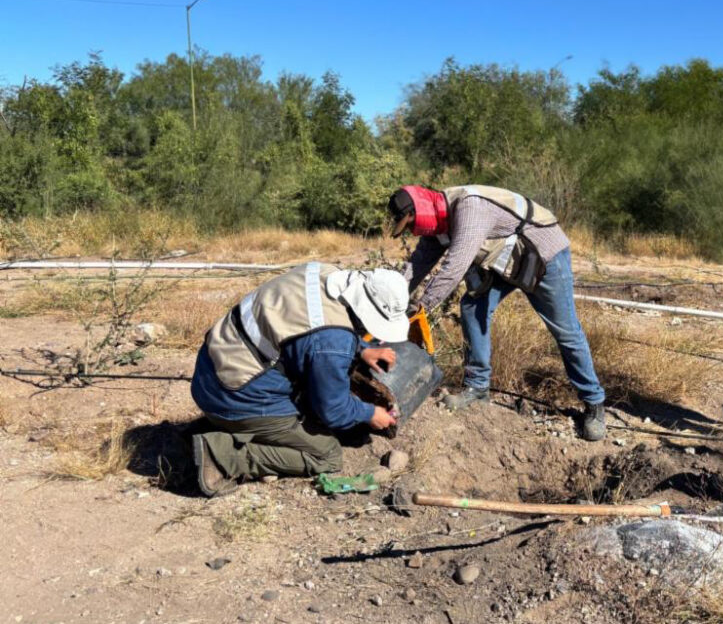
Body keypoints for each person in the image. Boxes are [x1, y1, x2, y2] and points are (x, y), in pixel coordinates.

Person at [386, 184, 607, 441]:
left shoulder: (469, 208)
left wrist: (419, 310)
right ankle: (478, 388)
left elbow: (455, 267)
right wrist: (390, 303)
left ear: (421, 210)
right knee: (472, 307)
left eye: (411, 223)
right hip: (507, 259)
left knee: (565, 331)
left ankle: (594, 403)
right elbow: (416, 266)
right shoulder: (438, 226)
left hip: (543, 254)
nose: (413, 231)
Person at [189, 263, 410, 497]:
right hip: (233, 395)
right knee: (327, 454)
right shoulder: (332, 343)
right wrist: (369, 413)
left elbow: (309, 325)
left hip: (210, 369)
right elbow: (333, 410)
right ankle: (222, 455)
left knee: (310, 387)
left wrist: (361, 348)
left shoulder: (322, 272)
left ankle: (226, 425)